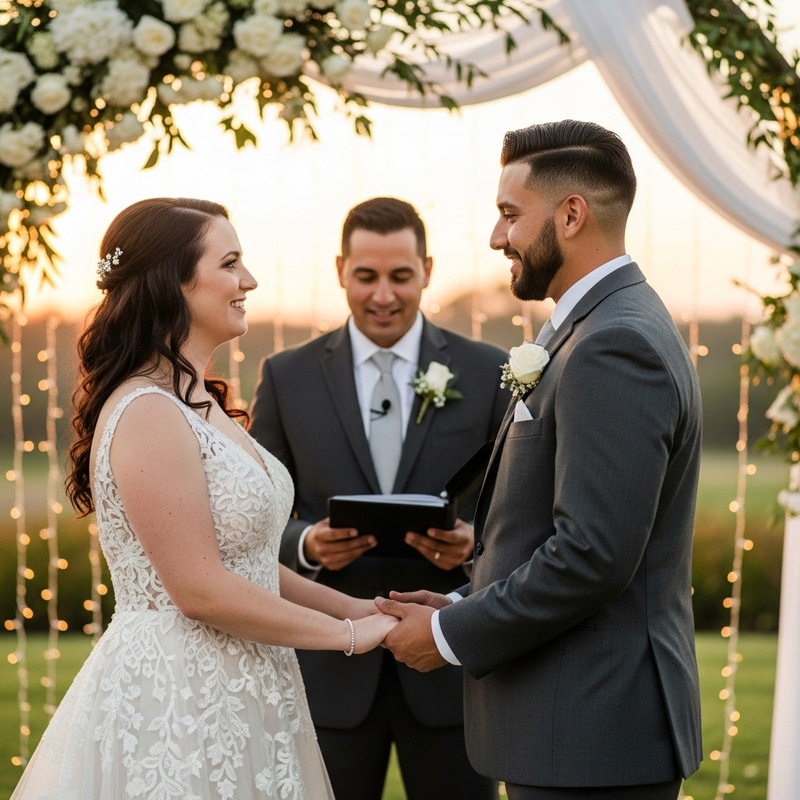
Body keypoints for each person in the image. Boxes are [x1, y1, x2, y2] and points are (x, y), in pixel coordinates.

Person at [10, 197, 396, 800]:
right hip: (180, 694)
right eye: (230, 263)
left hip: (249, 681)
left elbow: (247, 564)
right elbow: (197, 588)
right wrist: (346, 639)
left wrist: (358, 609)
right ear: (174, 282)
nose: (250, 281)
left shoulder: (201, 404)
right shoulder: (146, 411)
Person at [377, 120, 704, 800]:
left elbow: (591, 554)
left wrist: (445, 633)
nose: (497, 238)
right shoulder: (603, 326)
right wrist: (468, 597)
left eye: (508, 215)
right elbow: (550, 531)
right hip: (571, 727)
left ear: (572, 213)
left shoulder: (616, 345)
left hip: (592, 733)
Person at [248, 196, 507, 800]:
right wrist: (306, 544)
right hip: (330, 661)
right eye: (366, 276)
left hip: (452, 665)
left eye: (400, 276)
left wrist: (474, 546)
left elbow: (515, 507)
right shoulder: (287, 376)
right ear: (341, 270)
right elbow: (258, 511)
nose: (383, 295)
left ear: (428, 270)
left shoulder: (487, 370)